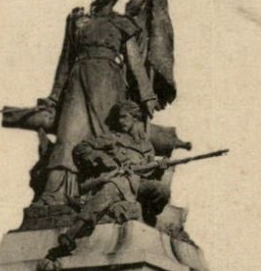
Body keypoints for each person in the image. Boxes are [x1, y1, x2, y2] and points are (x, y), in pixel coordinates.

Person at [31, 0, 157, 207]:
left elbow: (135, 64)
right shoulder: (79, 21)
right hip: (78, 84)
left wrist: (147, 96)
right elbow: (65, 61)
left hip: (109, 88)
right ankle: (55, 194)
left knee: (105, 140)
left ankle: (98, 195)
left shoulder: (123, 23)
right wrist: (55, 96)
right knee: (68, 135)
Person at [45, 100, 169, 261]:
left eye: (125, 117)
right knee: (110, 189)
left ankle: (147, 219)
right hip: (119, 180)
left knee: (162, 190)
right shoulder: (112, 138)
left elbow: (150, 174)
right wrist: (104, 160)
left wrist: (160, 168)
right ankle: (69, 237)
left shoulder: (147, 146)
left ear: (135, 118)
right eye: (119, 118)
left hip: (139, 183)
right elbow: (81, 148)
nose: (121, 121)